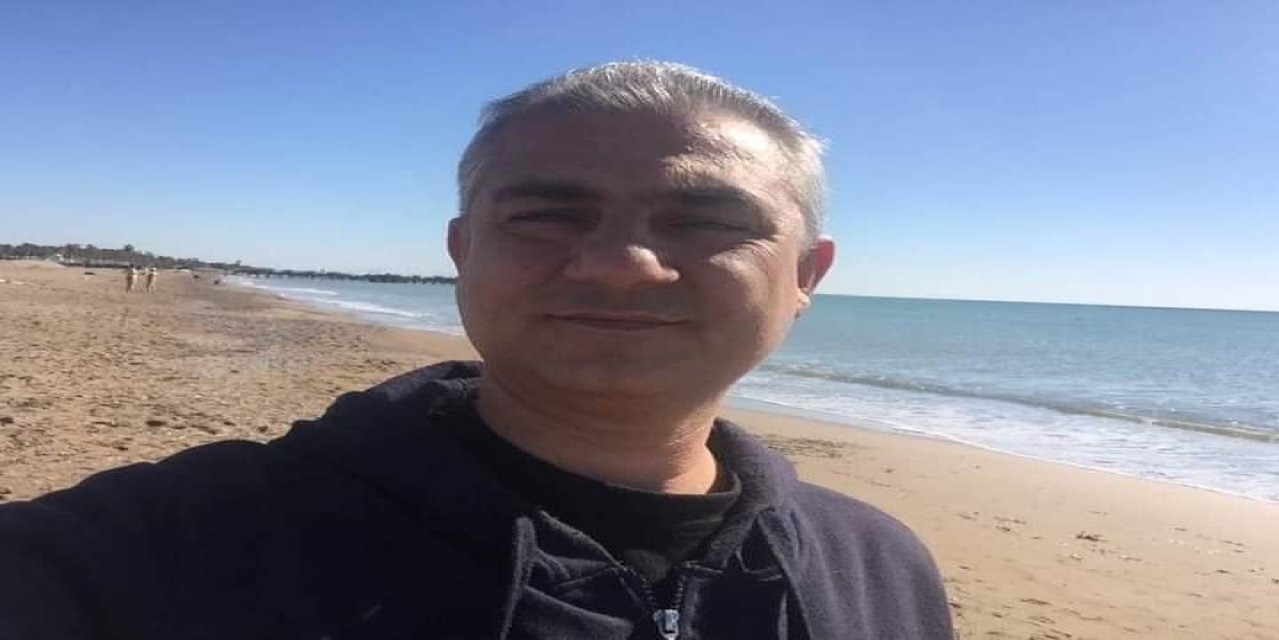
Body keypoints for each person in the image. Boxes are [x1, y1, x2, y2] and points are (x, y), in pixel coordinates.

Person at [0, 62, 953, 639]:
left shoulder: (877, 569)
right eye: (547, 215)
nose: (621, 264)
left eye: (703, 220)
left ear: (806, 274)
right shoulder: (166, 551)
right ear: (463, 253)